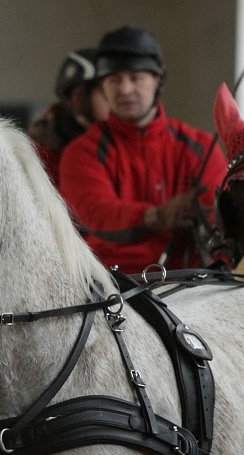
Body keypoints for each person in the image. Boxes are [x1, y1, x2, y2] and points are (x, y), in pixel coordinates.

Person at [58, 26, 226, 273]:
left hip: (190, 284)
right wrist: (157, 217)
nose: (125, 89)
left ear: (158, 81)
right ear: (103, 88)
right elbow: (95, 212)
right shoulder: (82, 152)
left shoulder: (201, 147)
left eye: (135, 78)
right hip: (110, 287)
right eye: (114, 80)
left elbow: (219, 218)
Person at [28, 48, 110, 185]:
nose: (117, 98)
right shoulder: (43, 158)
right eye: (105, 92)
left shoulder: (120, 146)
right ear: (78, 98)